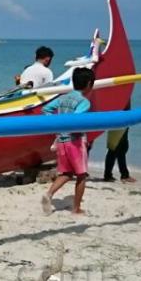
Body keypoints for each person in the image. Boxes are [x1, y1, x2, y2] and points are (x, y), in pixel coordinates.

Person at [40, 67, 95, 215]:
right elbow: (75, 119)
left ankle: (49, 194)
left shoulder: (63, 97)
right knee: (82, 175)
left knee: (67, 173)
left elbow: (46, 109)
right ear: (89, 84)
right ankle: (76, 208)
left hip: (61, 140)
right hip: (75, 141)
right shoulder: (84, 102)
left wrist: (56, 125)